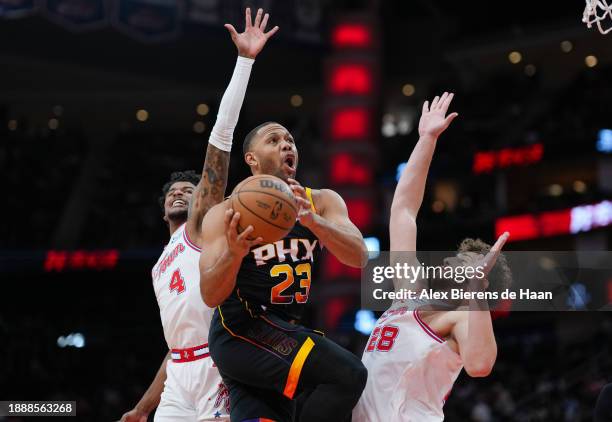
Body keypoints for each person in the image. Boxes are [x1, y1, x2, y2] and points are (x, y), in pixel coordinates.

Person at [120, 8, 279, 421]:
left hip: (219, 362)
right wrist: (140, 408)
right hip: (179, 374)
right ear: (162, 209)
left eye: (190, 192)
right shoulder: (159, 266)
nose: (181, 194)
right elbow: (175, 349)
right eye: (173, 191)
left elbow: (219, 146)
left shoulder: (200, 226)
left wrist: (244, 62)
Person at [352, 92, 512, 422]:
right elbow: (403, 212)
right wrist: (426, 139)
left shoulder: (460, 319)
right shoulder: (409, 296)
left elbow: (480, 365)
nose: (451, 261)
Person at [198, 121, 369, 421]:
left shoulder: (322, 201)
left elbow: (359, 257)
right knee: (347, 374)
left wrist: (315, 223)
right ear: (252, 158)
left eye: (290, 140)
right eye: (273, 140)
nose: (287, 144)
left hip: (282, 333)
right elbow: (210, 294)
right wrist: (234, 254)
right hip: (240, 330)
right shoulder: (224, 214)